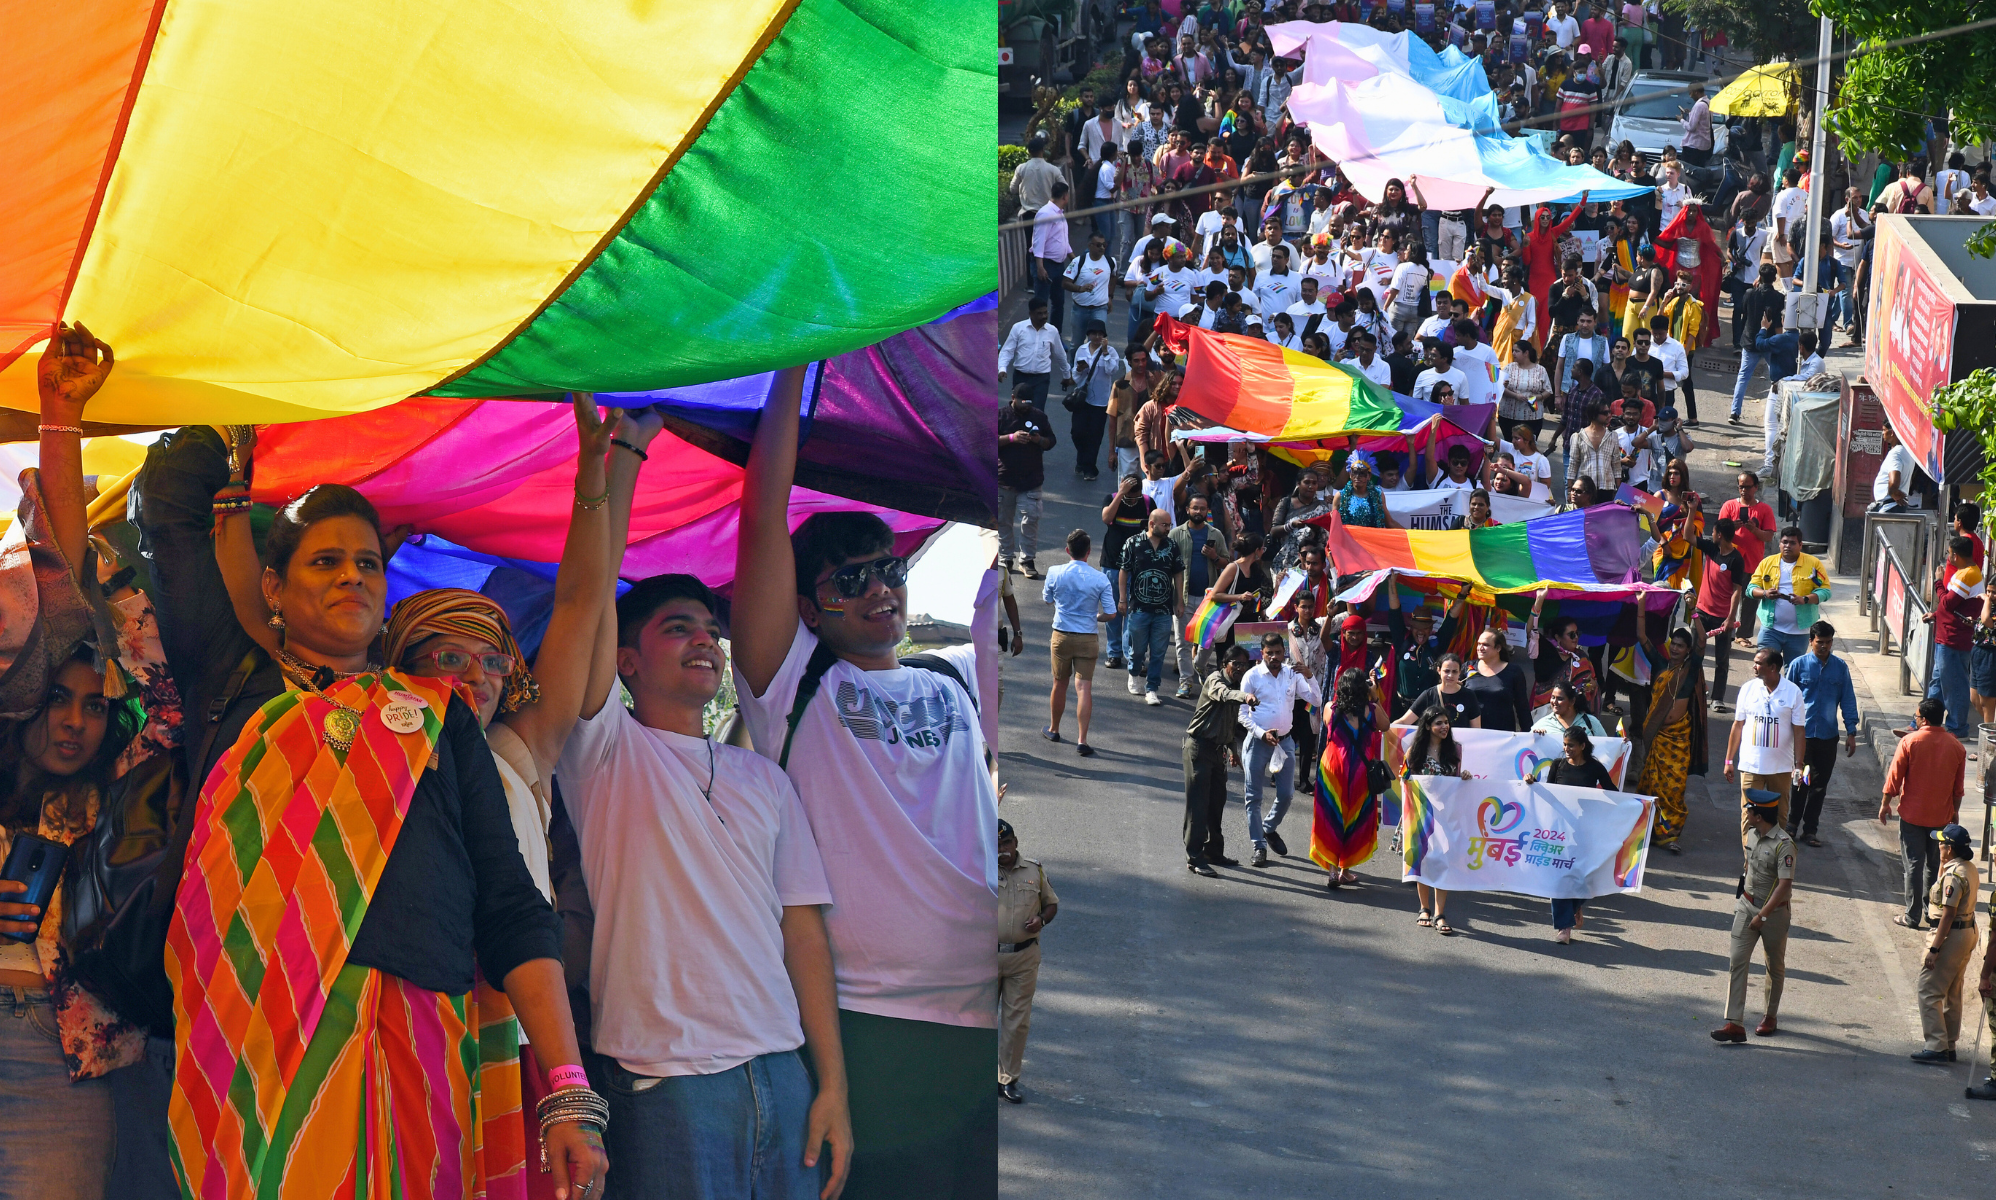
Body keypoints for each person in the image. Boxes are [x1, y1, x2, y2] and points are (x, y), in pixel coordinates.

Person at [136, 430, 598, 1194]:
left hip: (423, 1042)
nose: (351, 575)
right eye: (325, 562)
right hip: (258, 1050)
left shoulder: (436, 718)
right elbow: (171, 509)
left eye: (367, 563)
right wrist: (227, 430)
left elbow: (511, 906)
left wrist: (568, 1088)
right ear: (273, 588)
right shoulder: (236, 686)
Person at [732, 370, 1000, 1196]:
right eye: (850, 580)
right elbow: (762, 517)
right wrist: (797, 364)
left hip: (988, 1005)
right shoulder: (795, 685)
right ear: (810, 610)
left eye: (888, 569)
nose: (880, 589)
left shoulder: (956, 677)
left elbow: (1007, 564)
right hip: (865, 1017)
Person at [544, 557, 850, 1198]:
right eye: (678, 628)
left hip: (783, 1073)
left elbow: (804, 936)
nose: (705, 640)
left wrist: (832, 1086)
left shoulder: (766, 779)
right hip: (665, 1082)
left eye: (712, 630)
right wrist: (609, 487)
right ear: (625, 661)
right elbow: (586, 599)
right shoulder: (603, 751)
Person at [0, 324, 189, 1197]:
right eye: (59, 699)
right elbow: (61, 608)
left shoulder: (121, 795)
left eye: (94, 705)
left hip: (63, 1058)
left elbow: (83, 606)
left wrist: (63, 417)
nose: (75, 722)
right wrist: (58, 415)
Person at [1711, 793, 1795, 1042]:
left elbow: (1784, 885)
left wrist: (1763, 916)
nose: (1746, 814)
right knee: (1737, 960)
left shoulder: (1784, 845)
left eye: (1749, 811)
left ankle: (1770, 1016)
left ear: (1759, 816)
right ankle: (1734, 1023)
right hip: (1746, 905)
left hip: (1774, 914)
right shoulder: (1752, 834)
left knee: (1774, 965)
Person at [1881, 697, 1969, 931]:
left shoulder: (1910, 742)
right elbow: (1958, 788)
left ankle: (1912, 916)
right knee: (1934, 865)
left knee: (1913, 865)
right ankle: (1932, 914)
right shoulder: (1956, 747)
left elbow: (1894, 777)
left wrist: (1885, 803)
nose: (1916, 719)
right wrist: (1955, 812)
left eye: (1917, 716)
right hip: (1941, 817)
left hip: (1912, 816)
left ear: (1924, 720)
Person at [1240, 630, 1318, 868]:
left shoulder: (1292, 674)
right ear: (1261, 653)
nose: (1274, 656)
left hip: (1285, 742)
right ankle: (1259, 846)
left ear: (1284, 652)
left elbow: (1316, 700)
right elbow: (1242, 715)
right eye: (1269, 653)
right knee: (1254, 797)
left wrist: (1310, 677)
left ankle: (1269, 827)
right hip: (1258, 742)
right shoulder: (1251, 676)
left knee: (1286, 794)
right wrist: (1261, 733)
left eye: (1278, 652)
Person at [1312, 667, 1395, 890]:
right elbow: (1386, 725)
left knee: (1330, 815)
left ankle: (1332, 870)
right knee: (1355, 816)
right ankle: (1345, 871)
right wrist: (1374, 696)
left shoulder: (1330, 708)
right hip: (1360, 770)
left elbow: (1327, 725)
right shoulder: (1371, 710)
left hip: (1332, 768)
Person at [1780, 622, 1860, 848]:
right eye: (1820, 642)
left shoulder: (1840, 668)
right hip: (1802, 737)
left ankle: (1810, 830)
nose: (1824, 646)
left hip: (1828, 737)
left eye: (1828, 642)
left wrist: (1851, 731)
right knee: (1801, 781)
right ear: (1811, 642)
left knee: (1819, 786)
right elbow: (1787, 699)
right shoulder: (1798, 665)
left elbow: (1848, 699)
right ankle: (1792, 824)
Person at [995, 821, 1058, 1103]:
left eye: (1006, 843)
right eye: (996, 845)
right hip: (984, 958)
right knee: (978, 1020)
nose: (1002, 850)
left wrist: (1041, 919)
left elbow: (1051, 904)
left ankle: (1007, 1079)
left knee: (1017, 1022)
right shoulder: (978, 870)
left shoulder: (1035, 871)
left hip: (1023, 958)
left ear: (1016, 843)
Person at [1184, 646, 1259, 876]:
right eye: (1236, 663)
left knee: (1216, 804)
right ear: (1224, 664)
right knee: (1198, 805)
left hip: (1218, 752)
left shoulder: (1237, 686)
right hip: (1199, 748)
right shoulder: (1215, 680)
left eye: (1244, 664)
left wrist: (1233, 750)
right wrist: (1245, 697)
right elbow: (1223, 695)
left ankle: (1213, 852)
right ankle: (1195, 857)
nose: (1240, 668)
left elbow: (1228, 725)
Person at [1910, 824, 1981, 1066]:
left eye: (1942, 843)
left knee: (1928, 989)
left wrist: (1934, 949)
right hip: (1967, 932)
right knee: (1952, 990)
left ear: (1950, 849)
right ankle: (1949, 1044)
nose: (1938, 845)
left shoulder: (1953, 876)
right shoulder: (1967, 868)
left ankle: (1936, 1046)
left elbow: (1948, 914)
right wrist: (1942, 864)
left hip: (1951, 934)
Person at [1043, 529, 1117, 755]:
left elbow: (1047, 599)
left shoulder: (1055, 572)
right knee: (1084, 688)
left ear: (1068, 550)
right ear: (1089, 551)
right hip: (1087, 637)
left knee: (1059, 683)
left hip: (1061, 635)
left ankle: (1054, 729)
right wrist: (1096, 617)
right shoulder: (1100, 578)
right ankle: (1082, 740)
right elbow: (1111, 613)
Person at [1637, 626, 1709, 854]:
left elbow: (1702, 640)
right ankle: (1647, 831)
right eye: (1673, 644)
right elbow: (1641, 635)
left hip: (1677, 739)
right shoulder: (1660, 665)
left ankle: (1670, 835)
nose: (1675, 649)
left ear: (1688, 650)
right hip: (1657, 736)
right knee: (1651, 785)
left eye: (1680, 646)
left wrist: (1693, 612)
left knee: (1674, 790)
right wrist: (1641, 607)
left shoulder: (1690, 670)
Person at [1402, 708, 1472, 936]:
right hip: (1422, 814)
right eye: (1439, 723)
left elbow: (1455, 781)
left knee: (1444, 860)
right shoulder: (1415, 751)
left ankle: (1440, 914)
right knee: (1424, 860)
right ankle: (1424, 908)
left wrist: (1464, 777)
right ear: (1427, 726)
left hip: (1447, 815)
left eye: (1446, 723)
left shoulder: (1455, 750)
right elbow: (1404, 779)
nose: (1444, 727)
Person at [1724, 647, 1808, 838]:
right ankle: (1750, 857)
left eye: (1758, 663)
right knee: (1749, 816)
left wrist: (1798, 765)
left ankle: (1775, 856)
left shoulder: (1792, 692)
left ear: (1773, 667)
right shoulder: (1748, 689)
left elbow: (1799, 731)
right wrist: (1729, 761)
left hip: (1781, 769)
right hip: (1751, 766)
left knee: (1779, 817)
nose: (1754, 666)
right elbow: (1738, 725)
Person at [1545, 725, 1617, 943]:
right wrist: (1530, 783)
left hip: (1586, 831)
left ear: (1583, 746)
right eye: (1565, 745)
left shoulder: (1595, 768)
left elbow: (1613, 793)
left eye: (1572, 746)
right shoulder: (1557, 765)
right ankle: (1564, 928)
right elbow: (1547, 794)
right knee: (1559, 878)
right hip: (1560, 831)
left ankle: (1575, 907)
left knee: (1585, 878)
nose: (1567, 749)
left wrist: (1642, 803)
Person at [1919, 537, 1983, 739]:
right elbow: (1952, 607)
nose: (1948, 557)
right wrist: (1936, 615)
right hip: (1945, 636)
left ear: (1955, 555)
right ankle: (1925, 722)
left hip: (1953, 640)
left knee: (1954, 685)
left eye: (1949, 553)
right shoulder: (1963, 573)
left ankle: (1957, 728)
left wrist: (1938, 582)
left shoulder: (1968, 575)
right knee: (1937, 685)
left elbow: (1947, 603)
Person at [1121, 507, 1185, 705]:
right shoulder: (1133, 543)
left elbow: (1178, 573)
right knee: (1138, 649)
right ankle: (1134, 673)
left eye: (1169, 525)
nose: (1168, 528)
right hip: (1139, 608)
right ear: (1152, 524)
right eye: (1164, 525)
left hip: (1163, 609)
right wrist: (1122, 598)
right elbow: (1124, 571)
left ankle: (1152, 688)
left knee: (1159, 651)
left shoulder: (1172, 546)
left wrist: (1179, 600)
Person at [1746, 527, 1830, 666]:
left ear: (1800, 545)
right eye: (1784, 542)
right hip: (1770, 629)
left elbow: (1825, 591)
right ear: (1779, 543)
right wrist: (1765, 593)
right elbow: (1750, 589)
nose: (1787, 546)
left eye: (1792, 543)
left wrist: (1805, 599)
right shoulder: (1767, 563)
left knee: (1793, 672)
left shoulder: (1813, 564)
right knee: (1764, 667)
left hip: (1799, 633)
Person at [998, 382, 1057, 578]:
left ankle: (1027, 560)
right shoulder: (1001, 416)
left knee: (1030, 520)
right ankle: (1006, 557)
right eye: (1022, 404)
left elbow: (1051, 441)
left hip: (1031, 480)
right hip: (1004, 479)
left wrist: (1039, 440)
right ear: (1013, 398)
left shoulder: (1038, 416)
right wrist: (1012, 438)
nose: (1026, 408)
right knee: (1003, 521)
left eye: (1028, 404)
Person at [1694, 517, 1749, 711]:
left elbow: (1737, 590)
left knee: (1721, 661)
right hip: (1701, 612)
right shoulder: (1711, 548)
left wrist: (1730, 618)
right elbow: (1687, 536)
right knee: (1694, 655)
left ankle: (1717, 698)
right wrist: (1692, 510)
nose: (1711, 535)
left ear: (1720, 535)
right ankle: (1693, 691)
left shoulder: (1736, 559)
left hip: (1722, 618)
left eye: (1714, 532)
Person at [1068, 319, 1122, 483]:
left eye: (1100, 334)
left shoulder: (1111, 351)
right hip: (1082, 399)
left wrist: (1105, 353)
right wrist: (1079, 370)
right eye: (1094, 333)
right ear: (1089, 334)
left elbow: (1112, 370)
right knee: (1077, 432)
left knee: (1094, 436)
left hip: (1101, 401)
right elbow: (1076, 376)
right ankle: (1082, 458)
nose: (1097, 337)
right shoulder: (1081, 350)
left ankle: (1089, 468)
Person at [1464, 627, 1531, 732]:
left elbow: (1522, 707)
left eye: (1485, 645)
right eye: (1479, 644)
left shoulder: (1514, 672)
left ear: (1498, 648)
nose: (1480, 648)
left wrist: (1529, 733)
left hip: (1502, 734)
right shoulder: (1467, 668)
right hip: (1471, 733)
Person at [1394, 652, 1483, 730]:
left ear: (1460, 672)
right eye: (1446, 671)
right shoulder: (1429, 695)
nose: (1450, 675)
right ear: (1439, 670)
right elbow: (1404, 721)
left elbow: (1476, 730)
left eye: (1454, 671)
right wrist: (1389, 728)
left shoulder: (1469, 695)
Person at [1532, 680, 1609, 739]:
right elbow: (1528, 749)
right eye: (1553, 697)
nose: (1554, 702)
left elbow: (1607, 747)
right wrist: (1534, 737)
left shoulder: (1591, 722)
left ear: (1572, 701)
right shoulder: (1543, 724)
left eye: (1560, 698)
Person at [1871, 422, 1918, 513]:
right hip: (1894, 506)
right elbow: (1909, 481)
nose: (1882, 433)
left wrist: (1893, 492)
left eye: (1884, 430)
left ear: (1892, 432)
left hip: (1889, 507)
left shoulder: (1896, 453)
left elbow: (1893, 482)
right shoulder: (1908, 452)